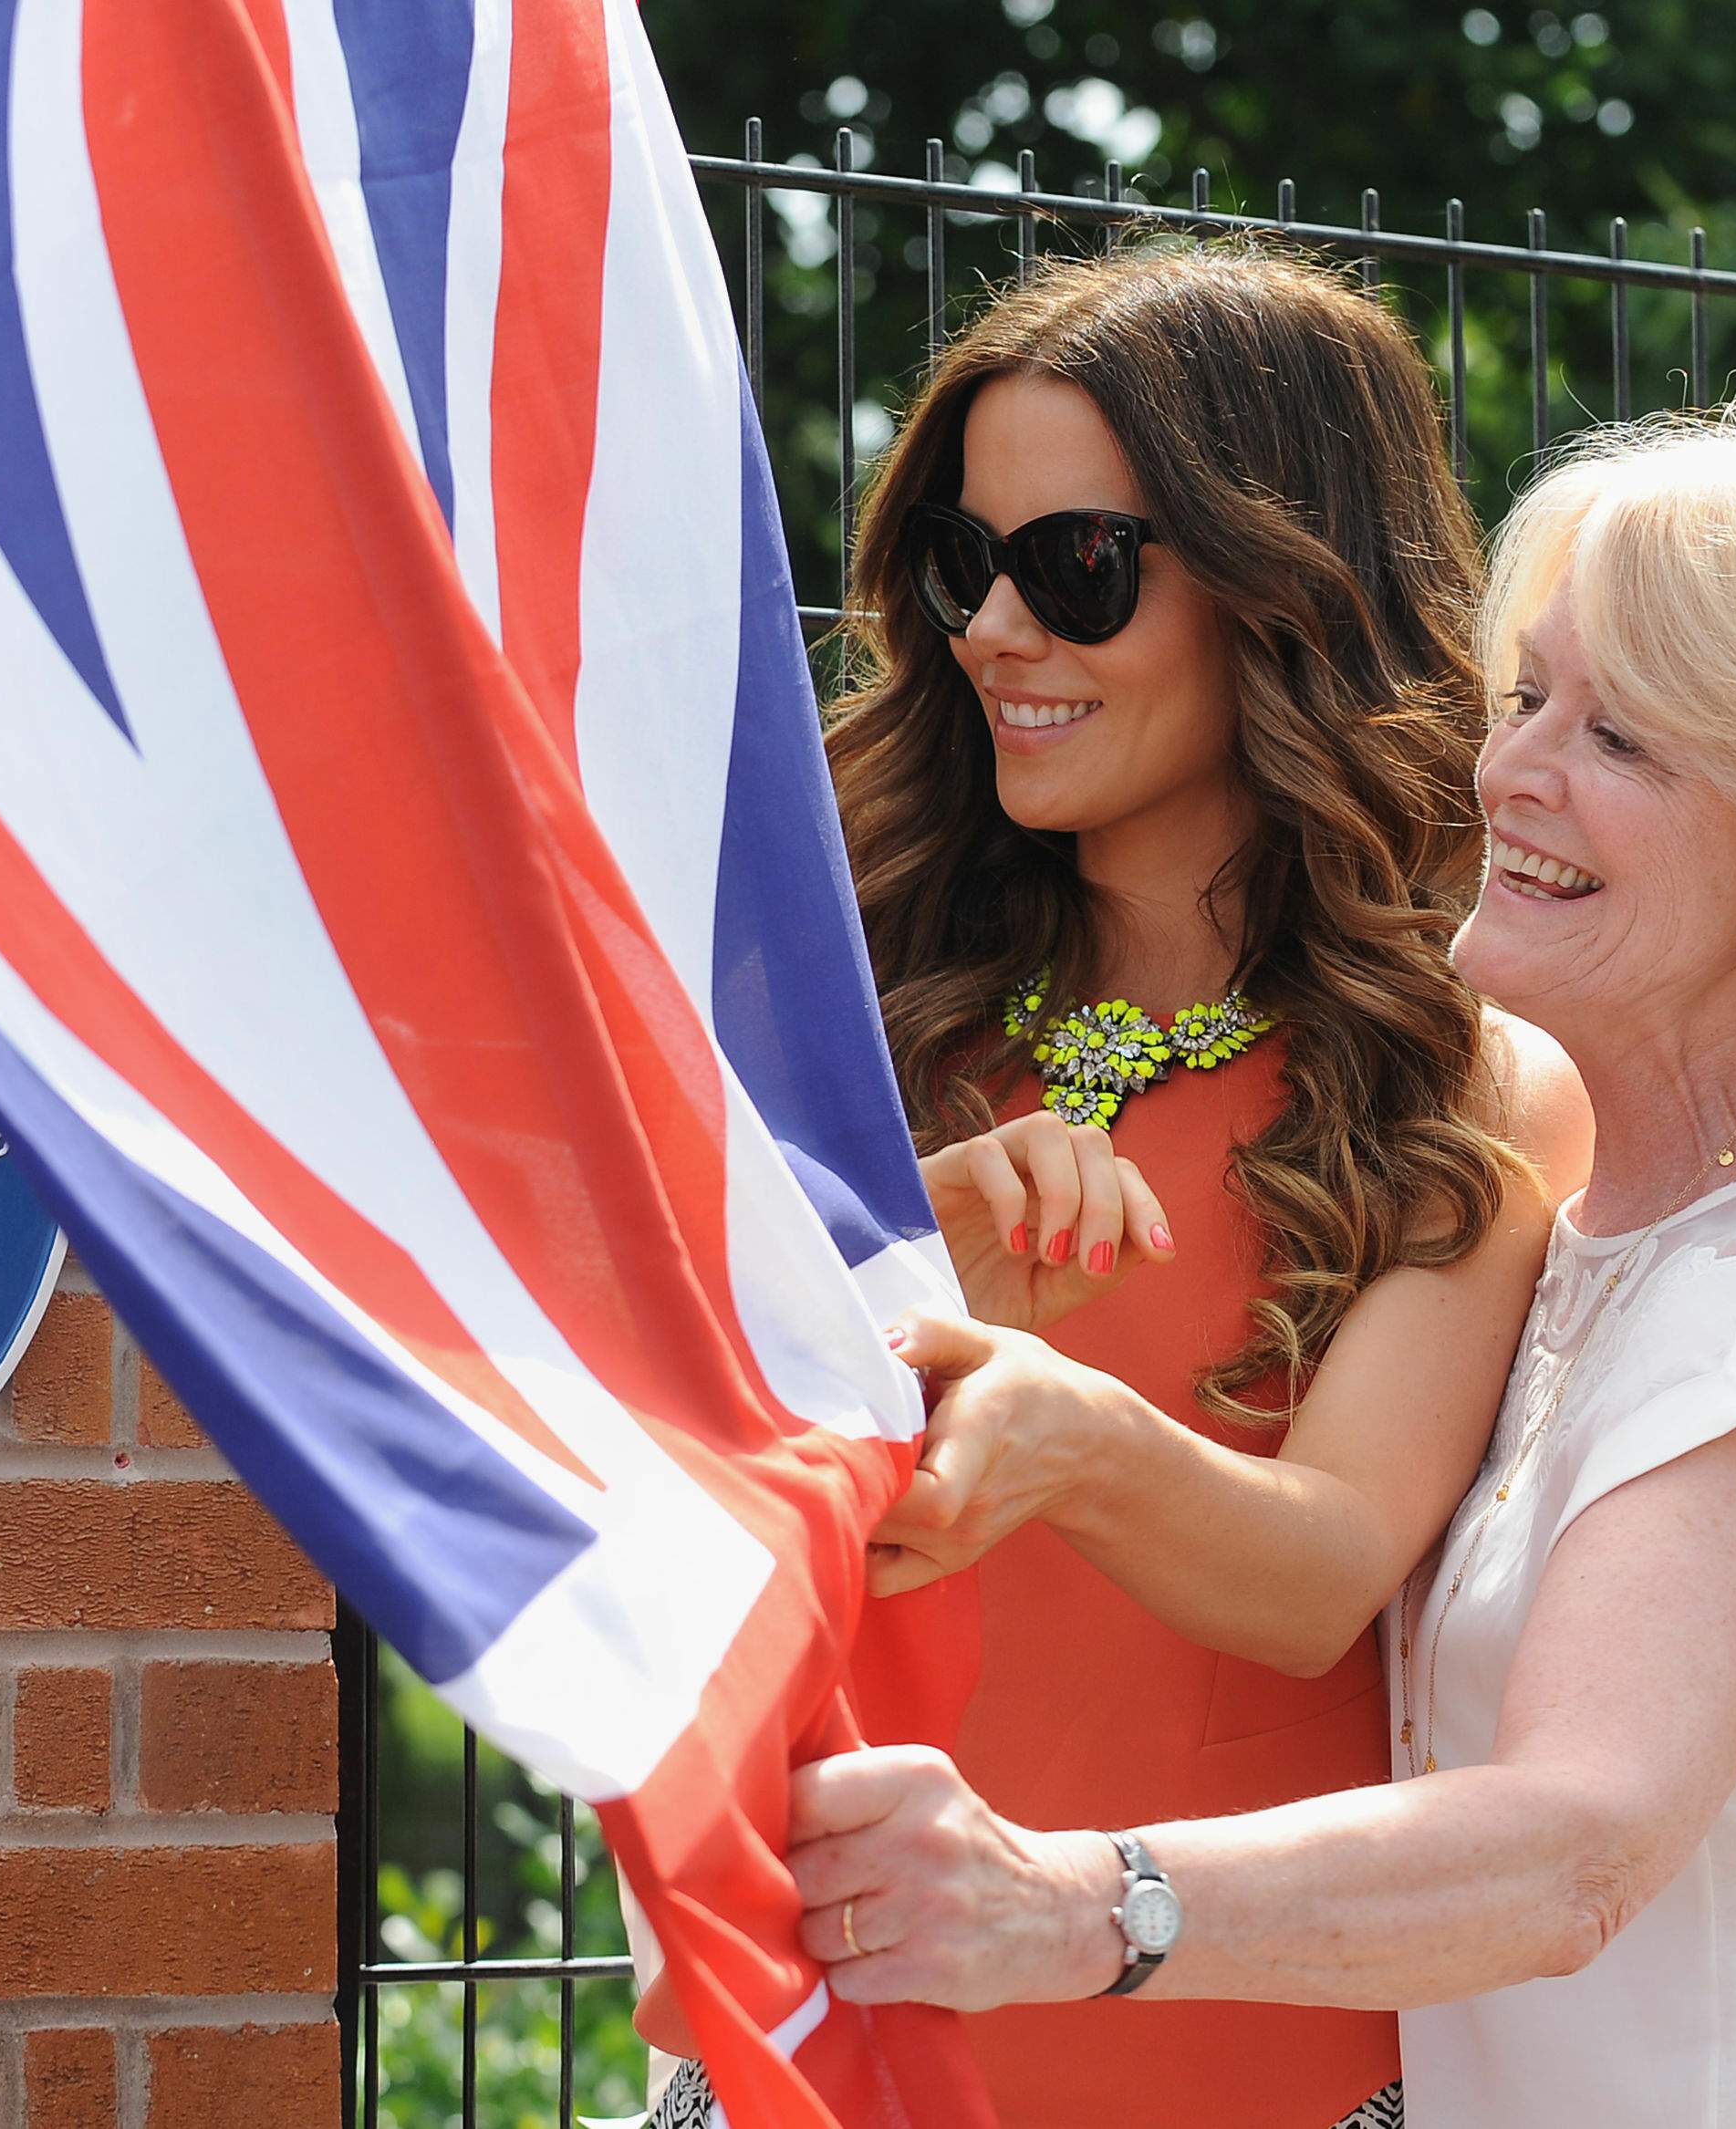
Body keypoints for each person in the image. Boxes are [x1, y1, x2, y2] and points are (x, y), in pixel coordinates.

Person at [777, 410, 1736, 2128]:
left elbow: (1574, 1846)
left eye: (1619, 735)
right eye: (1530, 695)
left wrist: (1068, 1904)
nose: (1509, 770)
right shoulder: (1665, 1230)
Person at [643, 243, 1592, 2129]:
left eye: (1073, 569)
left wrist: (1063, 1430)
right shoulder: (839, 1015)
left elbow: (1318, 1575)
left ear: (1283, 587)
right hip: (805, 2061)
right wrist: (909, 1272)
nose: (996, 630)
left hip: (1240, 2077)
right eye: (957, 566)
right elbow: (661, 1480)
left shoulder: (1459, 1073)